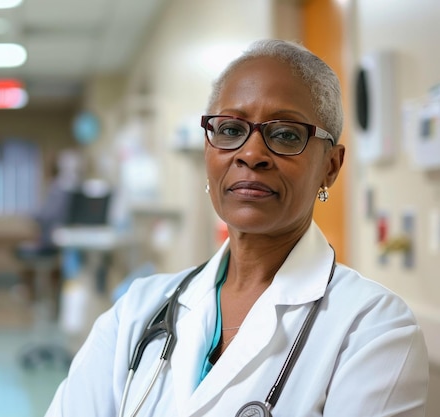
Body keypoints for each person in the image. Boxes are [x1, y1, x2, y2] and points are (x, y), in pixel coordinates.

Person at [44, 39, 429, 416]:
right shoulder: (135, 313)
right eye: (230, 130)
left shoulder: (374, 328)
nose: (251, 154)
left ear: (330, 166)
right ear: (209, 150)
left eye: (285, 134)